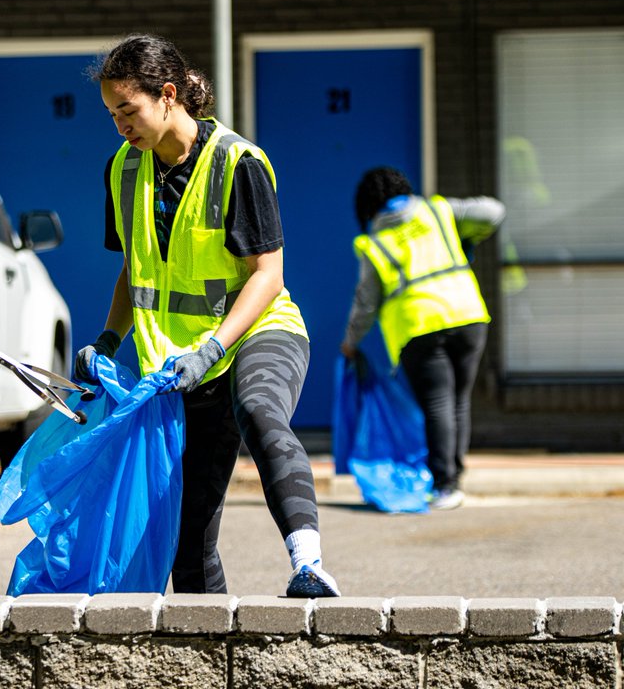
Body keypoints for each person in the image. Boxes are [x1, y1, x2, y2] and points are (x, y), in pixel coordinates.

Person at [74, 33, 340, 598]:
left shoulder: (237, 162)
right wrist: (107, 339)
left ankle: (309, 565)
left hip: (257, 332)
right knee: (187, 538)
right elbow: (135, 267)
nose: (120, 125)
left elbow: (268, 275)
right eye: (111, 114)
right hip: (181, 365)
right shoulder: (123, 169)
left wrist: (214, 348)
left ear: (167, 96)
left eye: (128, 110)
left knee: (260, 409)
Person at [340, 167, 505, 511]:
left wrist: (351, 341)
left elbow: (366, 302)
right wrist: (467, 237)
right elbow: (493, 211)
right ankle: (453, 479)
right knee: (458, 401)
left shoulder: (376, 243)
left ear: (368, 207)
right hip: (468, 315)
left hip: (419, 327)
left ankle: (444, 484)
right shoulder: (439, 211)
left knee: (438, 404)